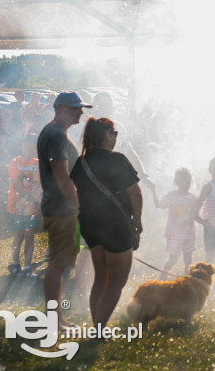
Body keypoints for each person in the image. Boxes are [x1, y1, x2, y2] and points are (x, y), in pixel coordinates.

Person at [70, 117, 143, 330]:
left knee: (101, 278)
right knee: (117, 281)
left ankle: (97, 326)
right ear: (106, 135)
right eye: (114, 133)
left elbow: (74, 193)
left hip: (90, 226)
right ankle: (99, 330)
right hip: (116, 226)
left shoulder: (81, 162)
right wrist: (137, 220)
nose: (115, 138)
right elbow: (136, 193)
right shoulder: (117, 160)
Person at [37, 90, 93, 330]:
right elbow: (61, 175)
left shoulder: (56, 133)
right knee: (57, 265)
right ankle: (54, 321)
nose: (80, 111)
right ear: (59, 109)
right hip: (62, 208)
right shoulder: (56, 135)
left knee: (59, 264)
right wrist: (79, 205)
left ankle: (58, 318)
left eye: (80, 107)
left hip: (60, 207)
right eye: (74, 107)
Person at [152, 167, 199, 279]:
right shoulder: (172, 196)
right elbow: (159, 204)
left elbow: (195, 216)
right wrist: (153, 190)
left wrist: (205, 222)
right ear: (177, 182)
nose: (185, 184)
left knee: (188, 259)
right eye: (182, 181)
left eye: (188, 181)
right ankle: (163, 275)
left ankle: (187, 278)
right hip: (174, 234)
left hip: (188, 234)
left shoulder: (194, 199)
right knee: (173, 259)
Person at [7, 134, 42, 275]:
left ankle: (27, 266)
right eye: (29, 144)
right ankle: (15, 263)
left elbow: (40, 182)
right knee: (19, 235)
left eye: (34, 145)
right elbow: (15, 183)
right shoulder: (15, 162)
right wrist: (32, 193)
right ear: (23, 145)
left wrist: (38, 195)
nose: (31, 148)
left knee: (29, 234)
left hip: (31, 206)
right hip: (16, 205)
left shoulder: (38, 163)